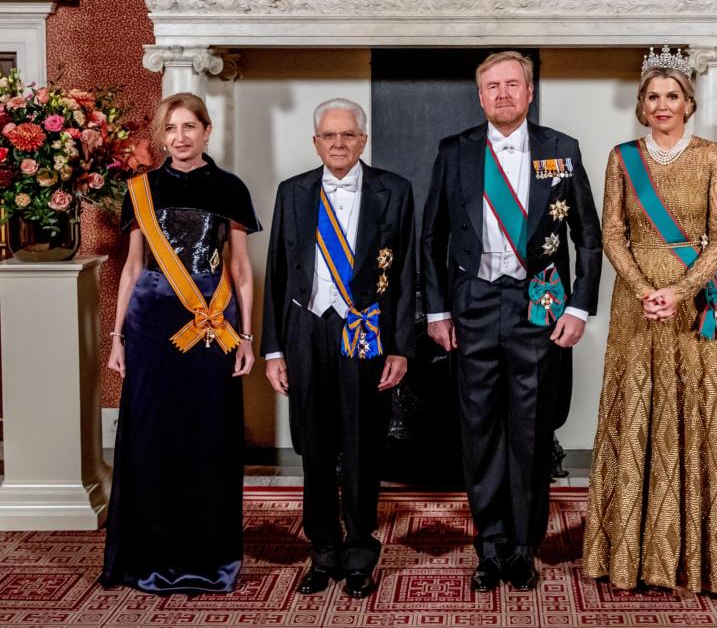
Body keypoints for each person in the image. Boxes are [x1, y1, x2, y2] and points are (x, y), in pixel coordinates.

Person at [421, 51, 603, 592]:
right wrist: (436, 309)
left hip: (537, 309)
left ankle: (525, 547)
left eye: (512, 84)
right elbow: (431, 238)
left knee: (529, 428)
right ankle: (491, 545)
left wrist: (578, 306)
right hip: (473, 306)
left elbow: (588, 238)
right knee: (478, 429)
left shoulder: (560, 150)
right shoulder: (455, 152)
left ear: (528, 93)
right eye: (491, 86)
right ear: (480, 97)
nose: (502, 94)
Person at [582, 46, 717, 595]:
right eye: (653, 96)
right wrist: (646, 289)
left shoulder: (712, 159)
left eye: (672, 95)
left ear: (689, 103)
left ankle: (695, 559)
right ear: (641, 105)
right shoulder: (621, 157)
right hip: (637, 301)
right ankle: (628, 554)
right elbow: (610, 235)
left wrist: (679, 290)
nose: (662, 105)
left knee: (695, 412)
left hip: (696, 303)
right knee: (638, 410)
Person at [100, 93, 261, 594]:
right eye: (171, 128)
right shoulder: (140, 189)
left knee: (208, 436)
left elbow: (240, 270)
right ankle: (151, 556)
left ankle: (210, 559)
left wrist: (249, 337)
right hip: (150, 327)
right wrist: (117, 337)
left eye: (190, 126)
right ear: (161, 135)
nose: (181, 137)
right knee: (152, 438)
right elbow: (131, 267)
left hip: (210, 327)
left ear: (207, 131)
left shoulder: (230, 188)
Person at [261, 98, 415, 599]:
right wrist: (274, 350)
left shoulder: (395, 190)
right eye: (329, 136)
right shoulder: (292, 192)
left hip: (365, 329)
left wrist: (400, 347)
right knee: (314, 445)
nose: (339, 143)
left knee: (362, 443)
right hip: (307, 330)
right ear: (316, 142)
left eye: (348, 135)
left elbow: (408, 274)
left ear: (363, 140)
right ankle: (322, 552)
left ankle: (359, 553)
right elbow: (278, 277)